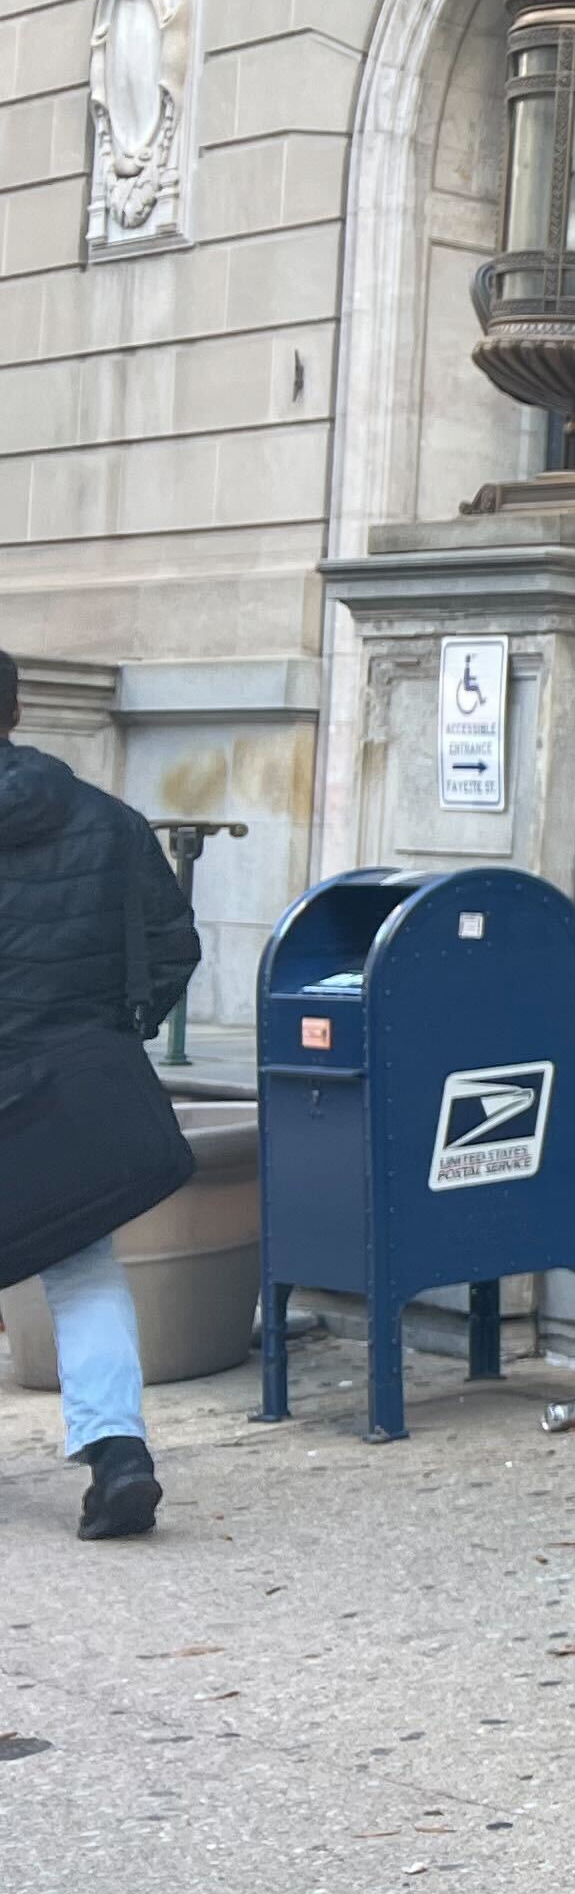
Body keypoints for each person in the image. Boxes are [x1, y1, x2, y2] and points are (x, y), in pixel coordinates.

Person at [0, 648, 202, 1540]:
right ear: (14, 711)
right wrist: (111, 1035)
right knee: (81, 1270)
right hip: (73, 1088)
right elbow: (170, 948)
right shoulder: (109, 822)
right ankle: (119, 1453)